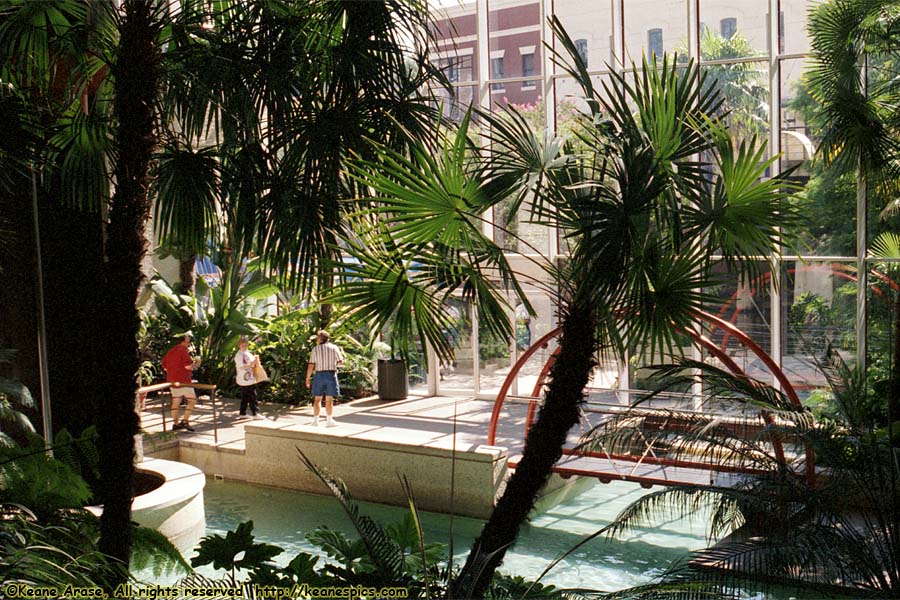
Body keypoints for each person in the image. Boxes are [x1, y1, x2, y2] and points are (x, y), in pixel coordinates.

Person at [305, 330, 344, 427]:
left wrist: (307, 378)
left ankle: (315, 421)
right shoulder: (334, 348)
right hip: (331, 374)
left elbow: (311, 365)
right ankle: (329, 420)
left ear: (320, 338)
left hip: (319, 375)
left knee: (317, 399)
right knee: (329, 399)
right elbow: (341, 361)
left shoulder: (315, 349)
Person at [161, 334, 199, 432]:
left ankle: (176, 423)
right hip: (183, 381)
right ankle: (185, 421)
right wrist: (197, 364)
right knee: (192, 400)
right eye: (187, 341)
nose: (189, 342)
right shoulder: (183, 351)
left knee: (176, 402)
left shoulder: (171, 351)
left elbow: (164, 366)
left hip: (172, 380)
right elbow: (187, 366)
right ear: (182, 342)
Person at [234, 336, 261, 418]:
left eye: (246, 345)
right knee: (252, 396)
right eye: (243, 345)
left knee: (245, 396)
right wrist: (252, 364)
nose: (244, 347)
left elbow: (252, 362)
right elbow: (241, 366)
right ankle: (255, 413)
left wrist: (255, 362)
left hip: (250, 377)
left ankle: (243, 413)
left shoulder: (247, 353)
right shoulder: (239, 355)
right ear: (239, 345)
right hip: (244, 378)